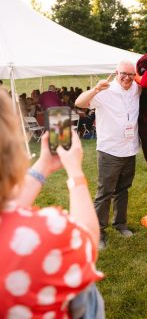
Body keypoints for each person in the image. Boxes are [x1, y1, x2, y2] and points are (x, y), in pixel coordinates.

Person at [0, 89, 105, 318]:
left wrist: (44, 165)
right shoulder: (46, 229)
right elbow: (88, 239)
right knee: (87, 291)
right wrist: (75, 171)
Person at [75, 61, 140, 250]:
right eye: (123, 74)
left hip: (130, 149)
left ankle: (120, 224)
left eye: (131, 74)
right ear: (116, 73)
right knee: (104, 193)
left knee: (123, 189)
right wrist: (96, 89)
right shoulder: (105, 90)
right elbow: (79, 103)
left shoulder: (137, 88)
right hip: (109, 150)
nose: (127, 78)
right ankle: (98, 233)